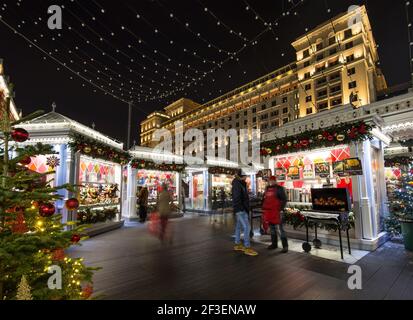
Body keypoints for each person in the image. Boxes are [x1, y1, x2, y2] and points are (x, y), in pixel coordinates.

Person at [232, 169, 258, 256]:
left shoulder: (241, 183)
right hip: (240, 209)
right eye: (245, 176)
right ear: (241, 176)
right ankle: (247, 247)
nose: (246, 177)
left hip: (241, 208)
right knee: (247, 227)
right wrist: (242, 208)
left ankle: (237, 244)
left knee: (239, 227)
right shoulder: (237, 184)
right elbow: (237, 198)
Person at [262, 176, 289, 253]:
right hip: (269, 212)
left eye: (273, 181)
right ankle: (274, 244)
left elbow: (284, 199)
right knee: (272, 229)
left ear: (275, 181)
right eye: (270, 181)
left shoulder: (280, 188)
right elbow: (264, 199)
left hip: (277, 212)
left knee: (280, 229)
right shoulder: (267, 188)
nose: (271, 182)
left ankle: (285, 246)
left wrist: (280, 209)